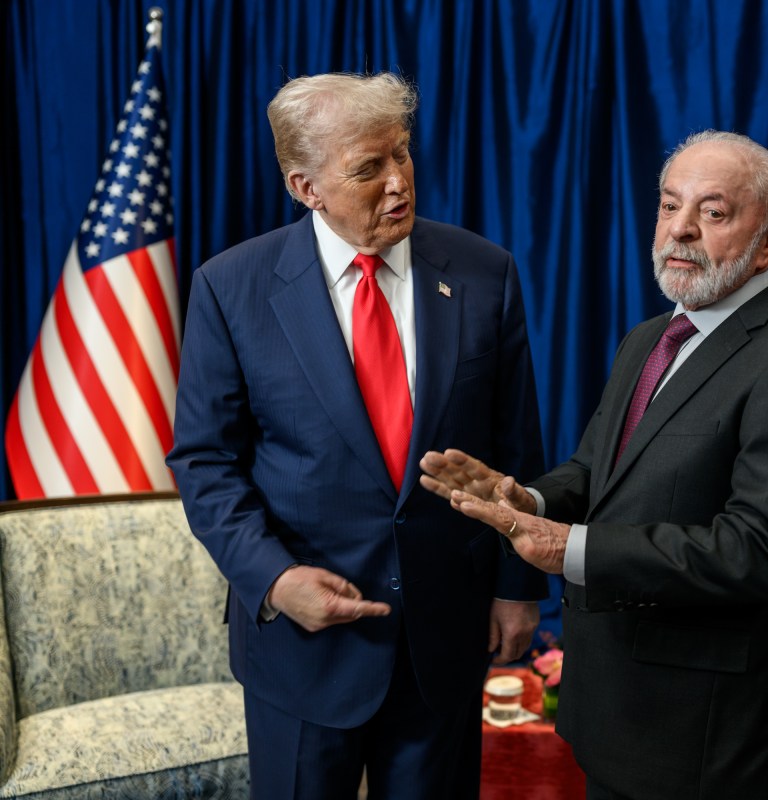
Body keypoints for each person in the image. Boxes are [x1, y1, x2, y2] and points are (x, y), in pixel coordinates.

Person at [421, 130, 768, 799]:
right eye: (668, 206)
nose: (679, 230)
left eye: (712, 213)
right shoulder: (649, 339)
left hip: (708, 737)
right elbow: (596, 472)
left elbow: (758, 551)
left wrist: (570, 548)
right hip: (613, 710)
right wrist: (525, 500)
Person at [166, 72, 546, 799]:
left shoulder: (484, 272)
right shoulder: (231, 287)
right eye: (369, 169)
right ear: (305, 186)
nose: (399, 182)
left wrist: (517, 586)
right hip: (305, 644)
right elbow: (205, 462)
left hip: (443, 638)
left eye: (402, 155)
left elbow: (515, 444)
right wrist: (274, 580)